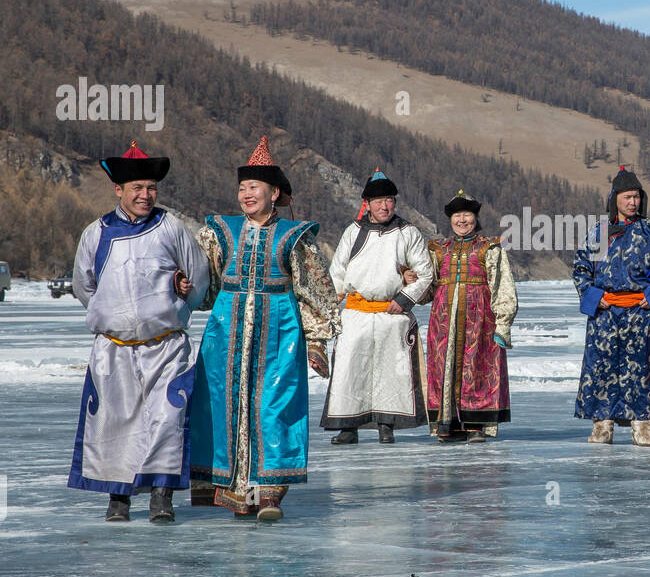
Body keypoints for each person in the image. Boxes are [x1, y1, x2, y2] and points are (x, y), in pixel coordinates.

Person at [188, 135, 338, 520]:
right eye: (242, 187)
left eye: (254, 187)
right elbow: (202, 280)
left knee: (273, 406)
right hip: (226, 333)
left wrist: (317, 341)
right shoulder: (220, 231)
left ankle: (269, 492)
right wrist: (182, 285)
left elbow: (316, 293)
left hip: (278, 333)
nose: (245, 194)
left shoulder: (295, 238)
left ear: (275, 193)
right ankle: (234, 491)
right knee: (223, 404)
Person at [68, 142, 209, 523]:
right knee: (116, 422)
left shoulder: (172, 228)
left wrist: (177, 309)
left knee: (167, 418)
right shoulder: (95, 234)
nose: (145, 196)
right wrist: (111, 314)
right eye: (137, 189)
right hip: (114, 349)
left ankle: (162, 495)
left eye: (151, 188)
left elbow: (198, 278)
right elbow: (85, 287)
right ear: (119, 190)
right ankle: (119, 496)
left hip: (165, 347)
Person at [321, 169, 433, 444]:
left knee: (390, 372)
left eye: (389, 200)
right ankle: (348, 426)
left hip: (391, 312)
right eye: (379, 201)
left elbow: (426, 272)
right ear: (367, 204)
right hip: (356, 312)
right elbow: (338, 271)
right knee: (350, 368)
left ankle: (387, 424)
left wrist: (403, 299)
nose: (385, 206)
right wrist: (330, 304)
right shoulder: (353, 232)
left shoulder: (408, 233)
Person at [573, 166, 650, 446]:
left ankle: (642, 426)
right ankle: (602, 426)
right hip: (605, 314)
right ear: (615, 198)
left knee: (641, 371)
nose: (633, 202)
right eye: (628, 197)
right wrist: (595, 297)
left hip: (641, 313)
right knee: (602, 369)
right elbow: (582, 269)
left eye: (637, 197)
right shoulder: (601, 234)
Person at [417, 190, 518, 443]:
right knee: (443, 368)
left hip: (480, 320)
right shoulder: (437, 249)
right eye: (457, 215)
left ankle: (475, 424)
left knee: (478, 368)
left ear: (475, 217)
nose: (462, 220)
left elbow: (502, 286)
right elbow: (427, 291)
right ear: (450, 219)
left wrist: (503, 323)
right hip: (443, 321)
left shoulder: (490, 248)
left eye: (467, 215)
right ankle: (447, 423)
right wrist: (409, 280)